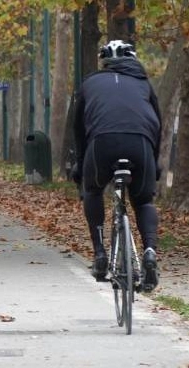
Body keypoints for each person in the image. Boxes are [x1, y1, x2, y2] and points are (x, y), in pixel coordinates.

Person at [73, 40, 161, 292]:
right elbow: (158, 125)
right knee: (144, 201)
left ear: (105, 62)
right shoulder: (144, 83)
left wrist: (80, 168)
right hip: (141, 143)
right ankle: (150, 252)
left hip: (102, 143)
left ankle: (100, 254)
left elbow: (78, 130)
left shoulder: (89, 83)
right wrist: (153, 164)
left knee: (93, 190)